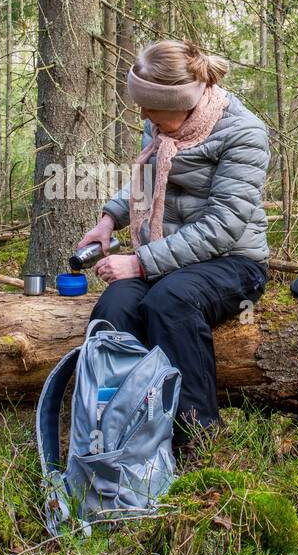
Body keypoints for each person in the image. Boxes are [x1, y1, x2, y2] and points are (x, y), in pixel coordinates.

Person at [77, 39, 271, 449]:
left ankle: (195, 435)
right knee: (114, 307)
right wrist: (109, 220)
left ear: (182, 100)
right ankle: (116, 429)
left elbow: (223, 226)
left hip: (233, 261)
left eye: (151, 106)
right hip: (168, 255)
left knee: (169, 302)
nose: (143, 114)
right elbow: (145, 180)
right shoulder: (162, 123)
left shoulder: (244, 133)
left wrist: (140, 263)